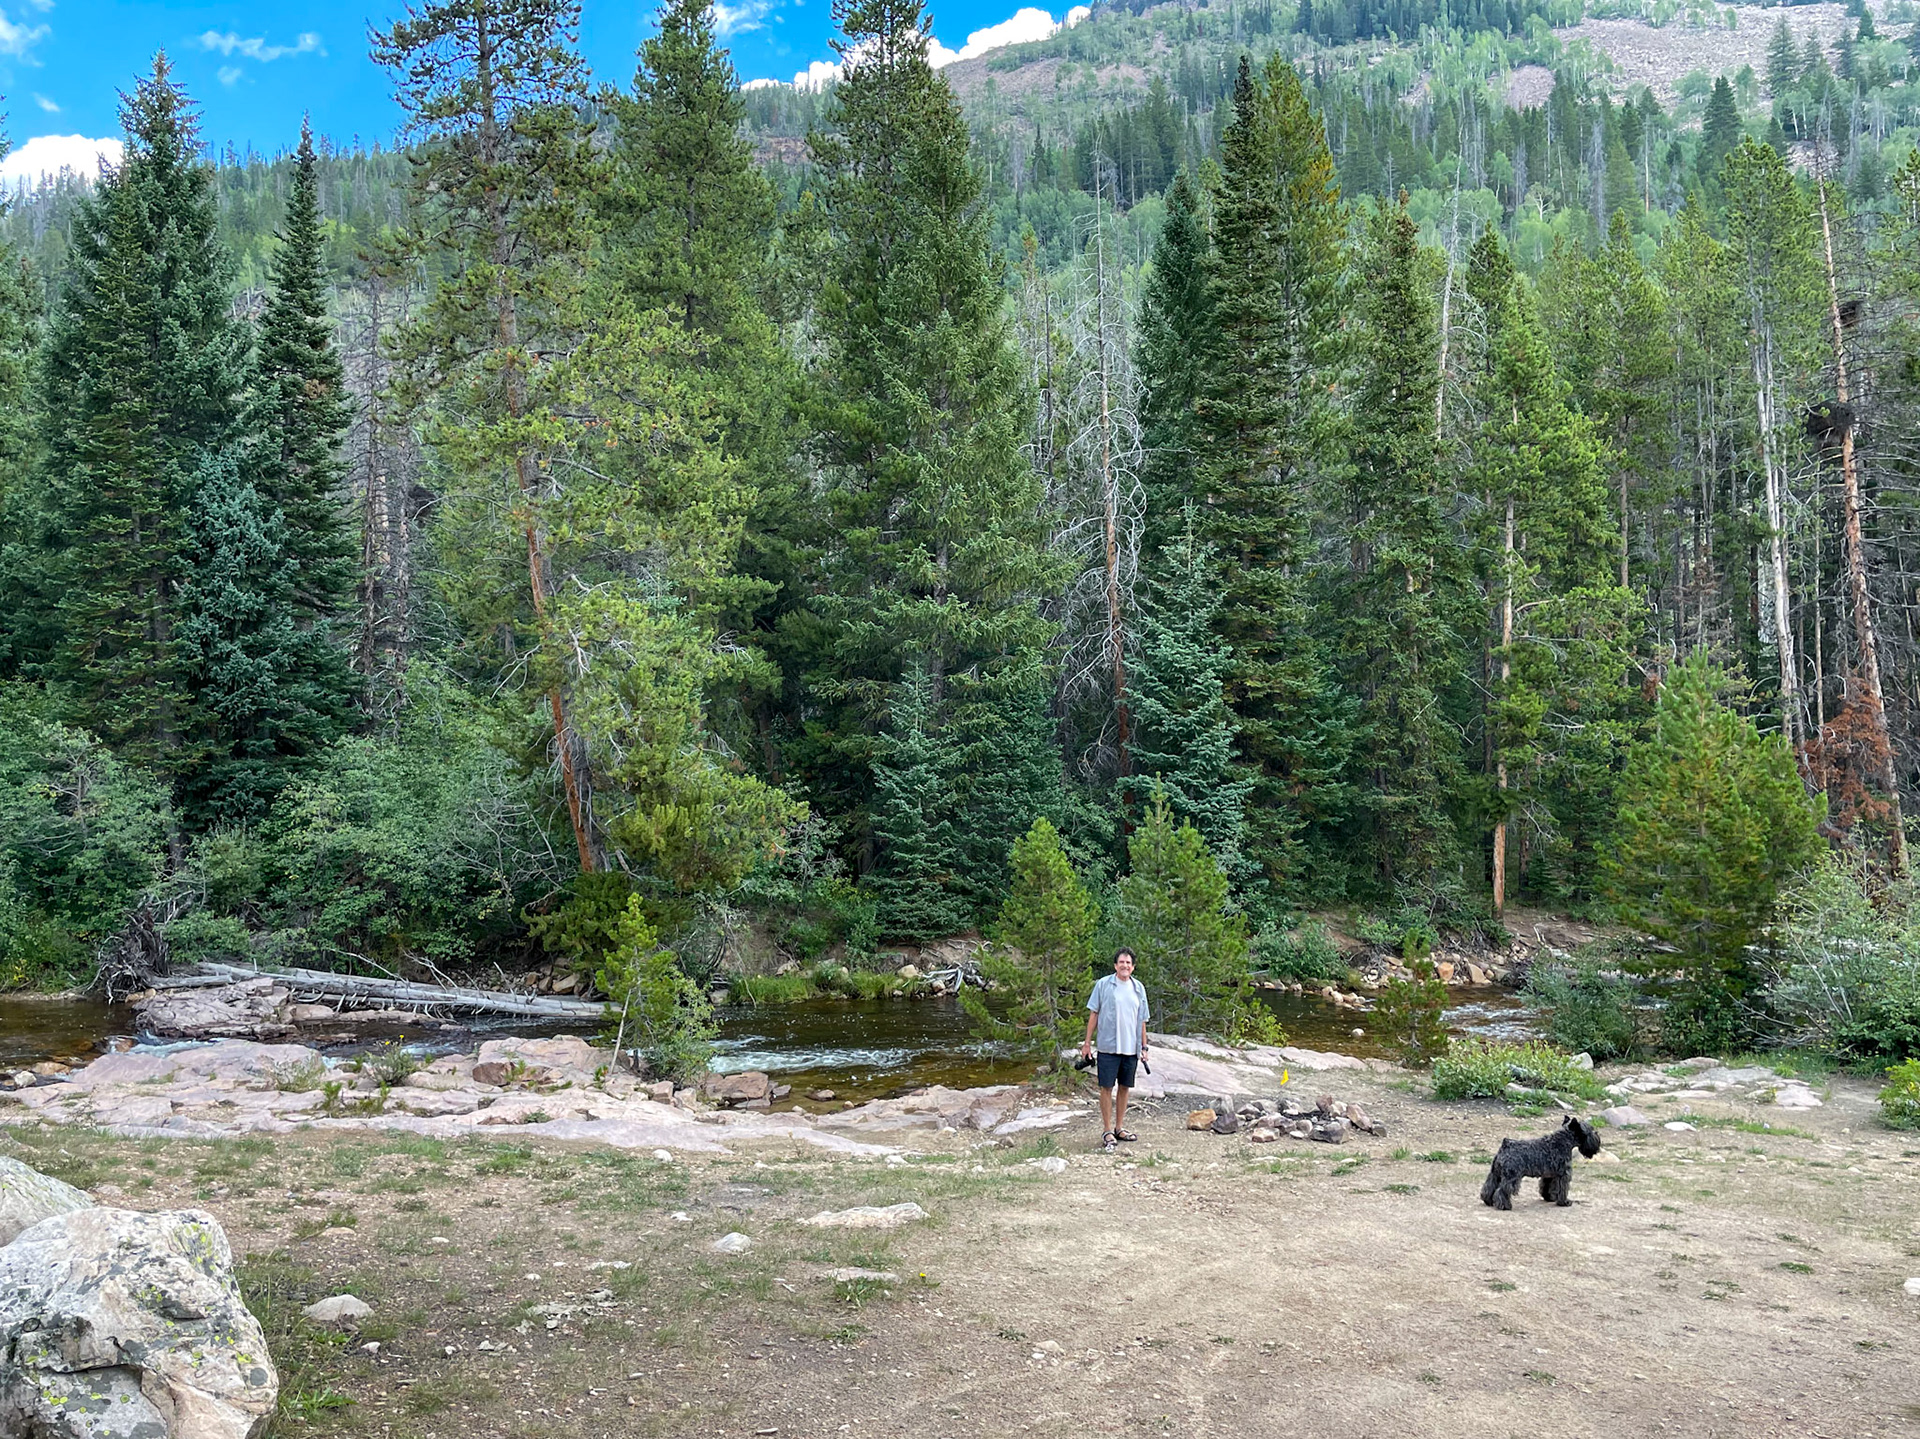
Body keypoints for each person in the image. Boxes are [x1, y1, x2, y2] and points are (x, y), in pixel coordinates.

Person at [1081, 947, 1149, 1149]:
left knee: (1125, 1088)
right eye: (1122, 962)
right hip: (1108, 1047)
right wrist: (1087, 1043)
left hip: (1131, 1049)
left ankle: (1120, 1128)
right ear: (1115, 965)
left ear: (1133, 967)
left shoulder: (1139, 988)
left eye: (1128, 963)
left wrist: (1144, 1047)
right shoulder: (1103, 985)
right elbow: (1094, 1014)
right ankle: (1107, 1130)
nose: (1125, 966)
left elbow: (1143, 1020)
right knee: (1106, 1087)